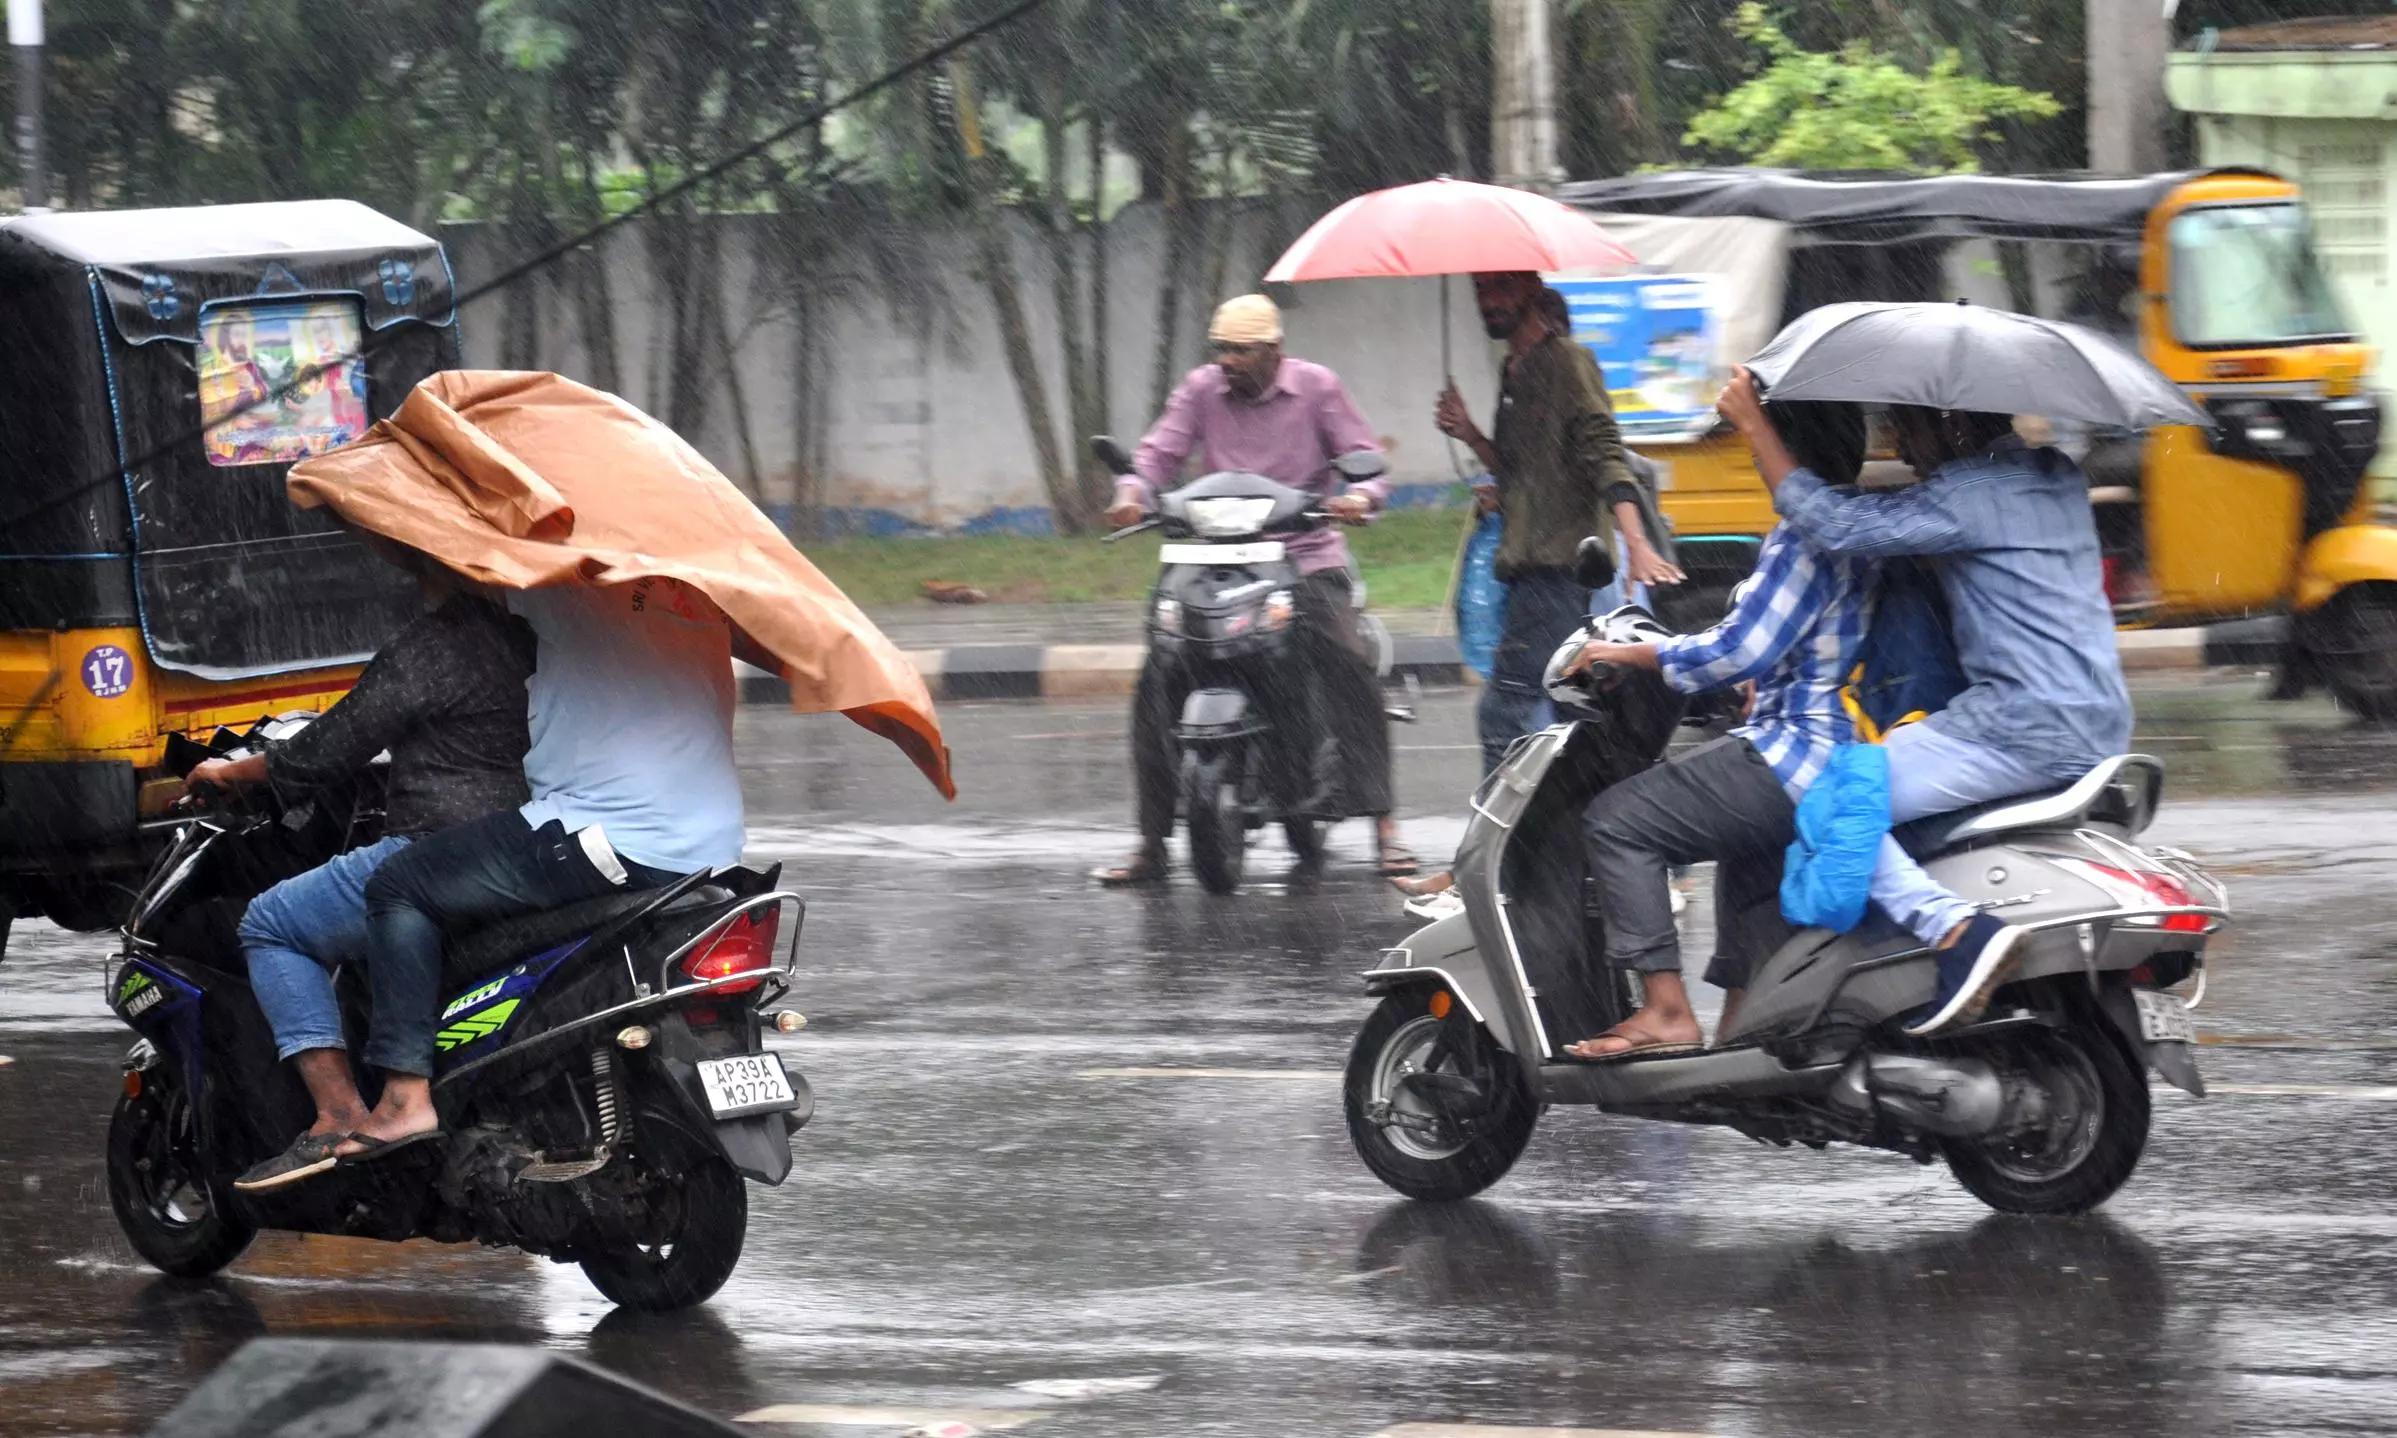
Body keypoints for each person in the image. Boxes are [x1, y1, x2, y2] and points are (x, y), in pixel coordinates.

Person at [1718, 367, 2133, 1036]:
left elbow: (1836, 526)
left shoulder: (1966, 494)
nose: (1900, 448)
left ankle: (1955, 934)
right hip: (2101, 721)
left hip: (2018, 726)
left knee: (1829, 794)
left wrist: (1753, 425)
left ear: (1950, 422)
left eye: (1905, 427)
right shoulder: (2054, 475)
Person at [321, 573, 761, 1167]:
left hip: (610, 838)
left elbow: (458, 567)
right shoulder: (700, 594)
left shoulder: (568, 587)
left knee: (400, 885)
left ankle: (404, 1097)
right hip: (711, 847)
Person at [200, 544, 536, 1192]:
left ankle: (336, 1113)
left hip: (433, 845)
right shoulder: (532, 637)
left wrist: (233, 772)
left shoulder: (437, 645)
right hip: (519, 841)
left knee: (271, 922)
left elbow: (330, 748)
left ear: (426, 560)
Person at [1558, 399, 1876, 1060]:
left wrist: (1627, 654)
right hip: (1823, 752)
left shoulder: (1803, 536)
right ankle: (1740, 1034)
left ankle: (1667, 1012)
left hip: (1791, 752)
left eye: (1759, 442)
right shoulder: (1855, 528)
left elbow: (1735, 650)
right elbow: (1783, 641)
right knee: (1746, 862)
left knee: (1618, 821)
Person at [1093, 293, 1414, 885]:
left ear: (1274, 350)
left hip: (1305, 555)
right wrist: (1132, 493)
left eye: (1241, 350)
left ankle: (1386, 830)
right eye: (1221, 350)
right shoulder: (1200, 390)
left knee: (1346, 662)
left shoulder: (1316, 388)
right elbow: (1156, 454)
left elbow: (1364, 461)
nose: (1228, 362)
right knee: (1157, 676)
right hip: (1213, 556)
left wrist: (1358, 497)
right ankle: (1151, 842)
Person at [1435, 273, 1685, 774]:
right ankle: (1597, 824)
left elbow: (1606, 455)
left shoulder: (1568, 361)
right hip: (1526, 572)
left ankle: (1504, 843)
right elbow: (1516, 470)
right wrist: (1469, 435)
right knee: (1577, 713)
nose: (1489, 302)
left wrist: (1636, 543)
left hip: (1558, 573)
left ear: (1530, 288)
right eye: (1481, 290)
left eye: (1501, 288)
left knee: (1504, 712)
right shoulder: (1515, 370)